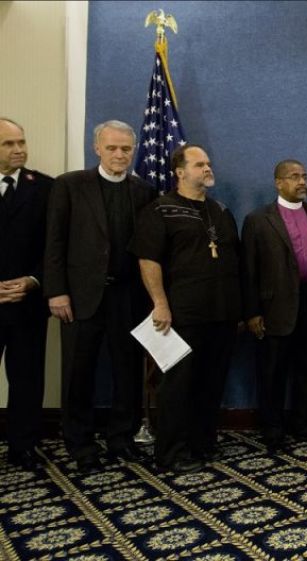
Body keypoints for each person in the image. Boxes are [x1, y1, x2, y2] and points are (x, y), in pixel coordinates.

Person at [44, 120, 156, 472]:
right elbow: (55, 242)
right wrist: (56, 291)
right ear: (97, 148)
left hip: (128, 298)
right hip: (80, 297)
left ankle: (121, 438)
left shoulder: (144, 191)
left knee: (127, 372)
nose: (120, 154)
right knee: (79, 372)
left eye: (126, 148)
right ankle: (80, 444)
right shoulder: (70, 185)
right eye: (112, 148)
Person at [132, 144, 240, 473]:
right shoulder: (160, 210)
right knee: (178, 386)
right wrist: (160, 304)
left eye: (208, 163)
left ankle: (202, 444)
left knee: (211, 383)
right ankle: (171, 452)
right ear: (180, 172)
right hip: (181, 314)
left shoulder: (219, 211)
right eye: (199, 164)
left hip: (221, 314)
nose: (207, 168)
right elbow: (148, 259)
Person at [241, 159, 307, 452]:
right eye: (294, 177)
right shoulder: (258, 219)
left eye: (305, 176)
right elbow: (248, 270)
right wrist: (252, 311)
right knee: (272, 371)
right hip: (274, 307)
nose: (302, 182)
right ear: (278, 182)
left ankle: (303, 423)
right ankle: (272, 429)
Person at [0, 118, 52, 470]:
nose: (19, 149)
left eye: (21, 142)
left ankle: (23, 446)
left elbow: (55, 247)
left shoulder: (45, 188)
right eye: (9, 144)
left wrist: (34, 280)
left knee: (27, 378)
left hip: (28, 303)